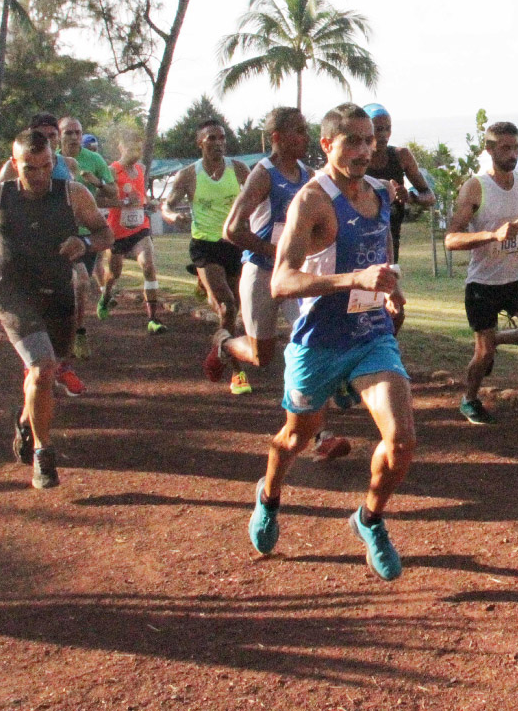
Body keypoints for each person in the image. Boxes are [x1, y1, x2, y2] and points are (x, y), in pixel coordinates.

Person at [248, 102, 416, 581]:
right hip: (319, 340)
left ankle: (369, 519)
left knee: (401, 441)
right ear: (327, 145)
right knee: (295, 439)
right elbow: (280, 282)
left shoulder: (381, 192)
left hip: (370, 337)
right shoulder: (310, 201)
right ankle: (269, 495)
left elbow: (380, 250)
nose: (366, 150)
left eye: (370, 141)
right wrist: (352, 280)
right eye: (353, 142)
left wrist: (392, 291)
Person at [0, 129, 113, 489]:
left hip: (59, 296)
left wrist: (82, 242)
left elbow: (105, 234)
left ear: (54, 161)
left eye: (46, 166)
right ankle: (43, 454)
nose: (39, 175)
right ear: (14, 164)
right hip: (15, 295)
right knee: (42, 368)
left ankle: (25, 421)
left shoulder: (73, 195)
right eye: (29, 168)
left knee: (44, 373)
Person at [223, 107, 351, 460]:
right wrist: (275, 252)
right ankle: (225, 345)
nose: (306, 137)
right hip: (261, 274)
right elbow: (232, 229)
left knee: (315, 346)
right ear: (277, 138)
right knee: (261, 357)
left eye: (306, 130)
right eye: (297, 131)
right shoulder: (262, 175)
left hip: (295, 278)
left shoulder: (310, 176)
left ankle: (322, 436)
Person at [445, 121, 518, 425]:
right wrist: (493, 235)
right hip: (483, 284)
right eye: (505, 147)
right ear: (489, 150)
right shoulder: (476, 187)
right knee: (483, 356)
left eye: (515, 147)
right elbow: (451, 239)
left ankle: (497, 340)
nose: (512, 153)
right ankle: (470, 399)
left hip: (517, 278)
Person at [0, 113, 86, 395]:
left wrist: (81, 238)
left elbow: (81, 200)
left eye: (51, 136)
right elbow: (0, 201)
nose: (47, 140)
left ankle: (68, 352)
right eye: (42, 136)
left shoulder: (69, 165)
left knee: (80, 283)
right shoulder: (13, 168)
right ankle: (42, 363)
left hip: (63, 246)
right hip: (26, 248)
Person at [161, 119, 250, 393]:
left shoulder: (239, 170)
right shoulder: (188, 174)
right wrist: (173, 215)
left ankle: (217, 346)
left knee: (238, 308)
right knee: (228, 307)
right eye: (211, 138)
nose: (218, 143)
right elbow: (167, 204)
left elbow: (259, 199)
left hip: (235, 245)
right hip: (205, 245)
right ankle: (237, 372)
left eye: (222, 137)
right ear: (200, 142)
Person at [59, 116, 117, 360]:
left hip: (88, 236)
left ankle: (78, 332)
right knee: (70, 284)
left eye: (77, 132)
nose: (74, 137)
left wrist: (98, 182)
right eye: (69, 133)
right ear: (59, 135)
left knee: (80, 284)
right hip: (58, 234)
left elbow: (113, 193)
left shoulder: (94, 160)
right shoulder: (51, 160)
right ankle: (63, 333)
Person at [98, 130, 168, 334]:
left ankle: (153, 319)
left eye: (138, 148)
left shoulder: (140, 169)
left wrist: (148, 203)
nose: (135, 152)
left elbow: (140, 196)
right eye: (130, 148)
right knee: (114, 274)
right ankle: (105, 297)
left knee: (148, 265)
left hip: (140, 228)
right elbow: (99, 200)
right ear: (121, 147)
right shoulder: (112, 171)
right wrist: (123, 202)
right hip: (117, 233)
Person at [362, 103, 436, 265]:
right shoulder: (356, 161)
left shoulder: (401, 156)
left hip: (391, 242)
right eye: (377, 129)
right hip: (359, 241)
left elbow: (429, 197)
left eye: (387, 128)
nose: (383, 135)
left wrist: (409, 197)